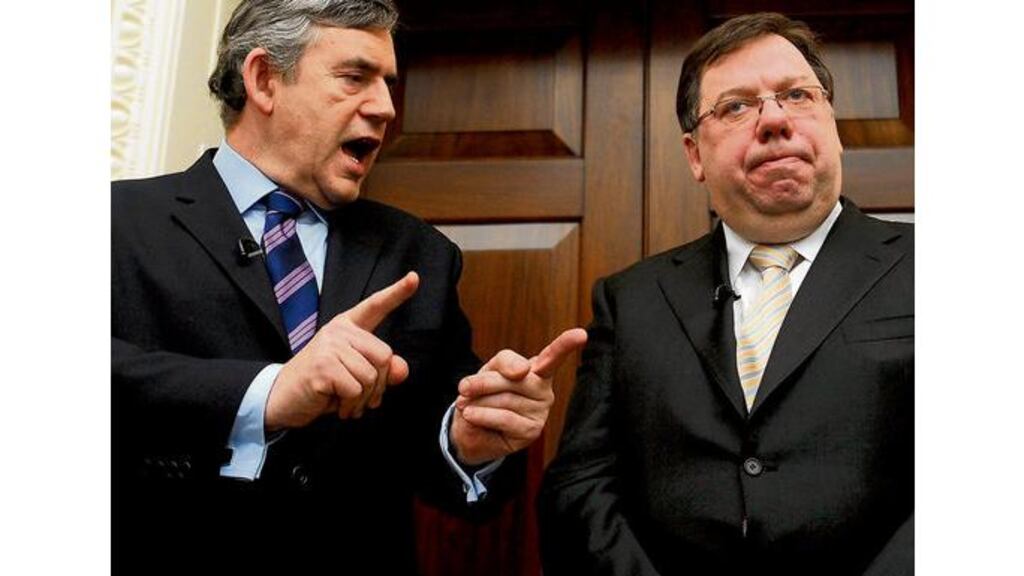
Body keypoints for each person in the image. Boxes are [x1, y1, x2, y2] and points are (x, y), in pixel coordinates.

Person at [111, 0, 586, 573]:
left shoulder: (419, 255)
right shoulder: (114, 222)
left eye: (388, 84)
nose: (386, 108)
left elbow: (436, 449)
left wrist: (469, 442)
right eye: (355, 77)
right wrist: (270, 393)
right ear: (264, 80)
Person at [539, 12, 912, 576]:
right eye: (736, 106)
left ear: (833, 124)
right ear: (694, 154)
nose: (774, 121)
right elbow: (581, 486)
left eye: (796, 95)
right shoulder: (631, 299)